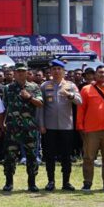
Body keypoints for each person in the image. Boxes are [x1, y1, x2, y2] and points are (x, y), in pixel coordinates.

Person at [39, 59, 81, 191]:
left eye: (59, 69)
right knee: (49, 155)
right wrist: (41, 124)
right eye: (54, 69)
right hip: (49, 127)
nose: (56, 72)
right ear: (50, 72)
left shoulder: (71, 85)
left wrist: (70, 95)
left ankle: (66, 182)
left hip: (66, 126)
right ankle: (50, 181)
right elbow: (40, 107)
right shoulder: (45, 86)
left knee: (66, 156)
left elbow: (79, 101)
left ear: (64, 72)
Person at [1, 63, 43, 192]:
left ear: (27, 73)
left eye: (23, 71)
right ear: (14, 73)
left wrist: (29, 97)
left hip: (29, 128)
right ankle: (9, 183)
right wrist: (2, 123)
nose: (20, 73)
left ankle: (32, 183)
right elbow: (4, 108)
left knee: (31, 156)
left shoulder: (34, 87)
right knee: (10, 156)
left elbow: (40, 103)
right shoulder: (8, 88)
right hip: (12, 127)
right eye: (18, 71)